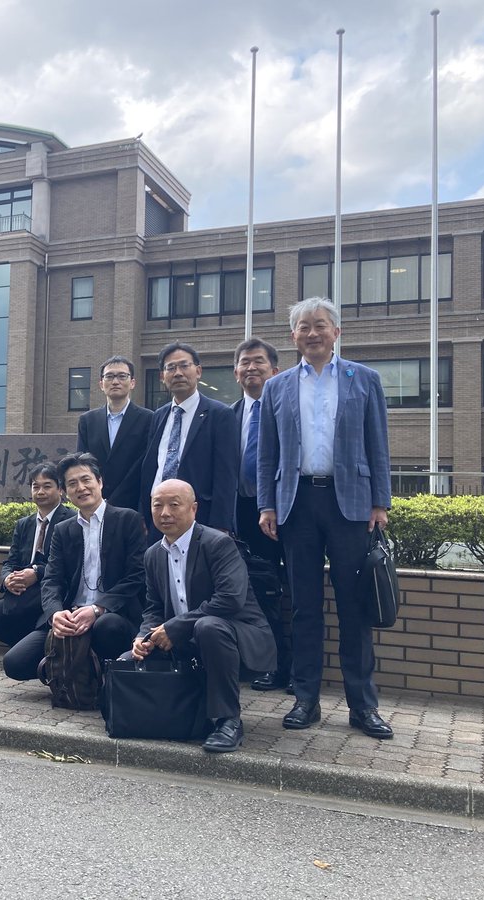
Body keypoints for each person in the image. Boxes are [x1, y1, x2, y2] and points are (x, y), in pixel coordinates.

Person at [258, 297, 394, 739]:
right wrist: (267, 504)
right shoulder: (277, 387)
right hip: (297, 504)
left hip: (350, 503)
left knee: (354, 607)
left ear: (336, 332)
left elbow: (378, 444)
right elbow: (267, 454)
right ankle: (306, 699)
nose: (312, 333)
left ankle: (363, 706)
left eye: (320, 325)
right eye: (303, 326)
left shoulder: (364, 379)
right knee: (304, 607)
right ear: (293, 335)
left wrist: (380, 501)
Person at [130, 479, 276, 753]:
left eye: (174, 505)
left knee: (208, 627)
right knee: (130, 660)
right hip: (185, 638)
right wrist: (143, 636)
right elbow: (153, 608)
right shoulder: (153, 554)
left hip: (237, 634)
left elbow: (230, 599)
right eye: (158, 505)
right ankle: (169, 715)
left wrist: (175, 627)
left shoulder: (218, 543)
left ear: (193, 509)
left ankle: (228, 720)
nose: (165, 513)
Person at [1, 453, 144, 682]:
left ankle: (101, 680)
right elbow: (52, 579)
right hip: (71, 615)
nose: (81, 488)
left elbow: (136, 576)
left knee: (107, 626)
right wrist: (55, 613)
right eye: (72, 483)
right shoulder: (64, 529)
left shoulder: (128, 520)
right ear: (66, 492)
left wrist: (97, 609)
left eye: (86, 480)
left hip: (114, 615)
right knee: (14, 664)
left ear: (100, 482)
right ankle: (77, 671)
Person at [230, 338, 291, 692]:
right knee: (256, 590)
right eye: (245, 362)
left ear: (275, 371)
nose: (251, 368)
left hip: (286, 513)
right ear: (236, 372)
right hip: (243, 515)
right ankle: (269, 665)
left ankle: (297, 670)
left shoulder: (288, 410)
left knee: (294, 591)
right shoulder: (229, 415)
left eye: (259, 362)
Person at [139, 341, 239, 541]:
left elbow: (226, 474)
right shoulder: (158, 416)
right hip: (158, 516)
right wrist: (143, 514)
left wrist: (221, 524)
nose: (178, 373)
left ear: (198, 371)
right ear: (162, 376)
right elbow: (152, 467)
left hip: (200, 517)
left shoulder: (220, 415)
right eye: (171, 368)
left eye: (184, 366)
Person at [0, 463, 74, 649]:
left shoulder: (71, 520)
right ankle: (28, 648)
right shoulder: (24, 524)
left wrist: (36, 573)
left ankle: (31, 651)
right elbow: (10, 561)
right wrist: (7, 579)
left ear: (60, 489)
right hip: (22, 594)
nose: (40, 492)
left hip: (53, 593)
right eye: (36, 487)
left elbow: (70, 565)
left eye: (47, 486)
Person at [75, 355, 154, 512]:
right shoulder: (87, 420)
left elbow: (145, 464)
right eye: (109, 376)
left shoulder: (149, 419)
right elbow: (82, 463)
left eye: (122, 376)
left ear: (132, 383)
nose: (115, 381)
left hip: (134, 505)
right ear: (101, 384)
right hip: (95, 504)